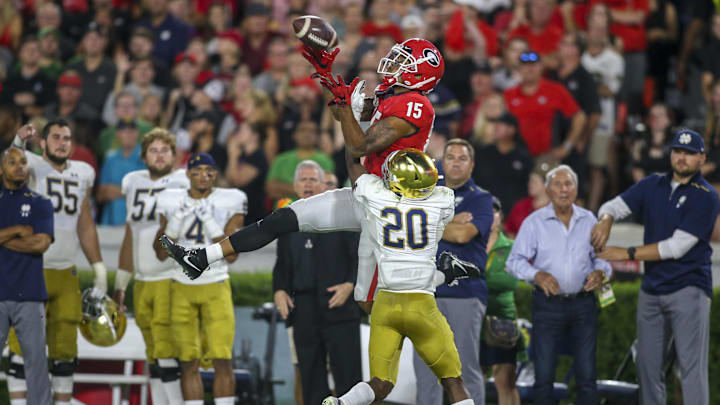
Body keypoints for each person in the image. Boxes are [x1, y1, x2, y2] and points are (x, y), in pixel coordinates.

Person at [160, 38, 477, 313]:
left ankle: (443, 273)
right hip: (364, 192)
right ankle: (200, 258)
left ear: (418, 74)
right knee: (281, 219)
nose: (392, 63)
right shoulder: (392, 97)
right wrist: (327, 75)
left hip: (387, 207)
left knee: (366, 302)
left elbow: (359, 144)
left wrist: (344, 108)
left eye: (402, 62)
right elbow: (344, 111)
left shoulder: (415, 104)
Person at [322, 148, 476, 405]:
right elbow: (437, 190)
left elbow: (354, 166)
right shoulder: (442, 200)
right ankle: (449, 272)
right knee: (453, 381)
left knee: (380, 384)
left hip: (386, 305)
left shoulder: (377, 196)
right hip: (420, 305)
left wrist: (356, 145)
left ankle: (342, 403)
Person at [592, 129, 719, 405]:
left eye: (689, 153)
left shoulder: (706, 195)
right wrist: (605, 219)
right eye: (677, 151)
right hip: (652, 290)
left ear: (701, 159)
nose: (681, 158)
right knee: (647, 368)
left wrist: (624, 252)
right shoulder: (653, 184)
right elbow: (613, 205)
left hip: (689, 288)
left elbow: (676, 247)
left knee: (690, 369)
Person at [9, 120, 109, 405]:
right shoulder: (32, 165)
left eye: (67, 137)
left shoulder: (83, 173)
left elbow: (85, 223)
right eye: (55, 137)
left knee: (65, 351)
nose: (62, 142)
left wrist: (98, 267)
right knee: (22, 347)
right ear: (43, 142)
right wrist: (18, 140)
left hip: (66, 271)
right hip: (31, 269)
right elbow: (11, 165)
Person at [506, 164, 612, 405]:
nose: (563, 190)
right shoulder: (534, 222)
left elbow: (603, 259)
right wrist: (537, 275)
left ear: (576, 189)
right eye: (557, 184)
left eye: (569, 184)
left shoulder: (589, 220)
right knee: (543, 376)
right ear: (547, 189)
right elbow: (514, 262)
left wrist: (600, 272)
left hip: (583, 303)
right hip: (548, 305)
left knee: (587, 377)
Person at [154, 153, 246, 405]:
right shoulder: (172, 201)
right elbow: (159, 252)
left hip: (216, 284)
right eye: (197, 170)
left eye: (208, 170)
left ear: (215, 174)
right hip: (181, 285)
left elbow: (233, 256)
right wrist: (175, 222)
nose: (203, 175)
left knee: (222, 358)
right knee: (187, 361)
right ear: (188, 174)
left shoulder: (231, 200)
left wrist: (209, 221)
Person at [273, 160, 362, 405]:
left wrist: (351, 284)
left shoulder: (343, 216)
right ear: (294, 186)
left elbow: (363, 256)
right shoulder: (286, 221)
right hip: (303, 309)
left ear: (324, 185)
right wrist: (279, 289)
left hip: (339, 306)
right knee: (311, 379)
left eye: (313, 179)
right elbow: (282, 264)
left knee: (349, 379)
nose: (308, 184)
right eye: (303, 179)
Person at [413, 139, 493, 405]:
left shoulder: (482, 199)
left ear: (471, 165)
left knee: (465, 368)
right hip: (427, 294)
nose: (456, 162)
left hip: (465, 293)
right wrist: (450, 219)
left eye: (462, 158)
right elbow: (411, 230)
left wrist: (430, 221)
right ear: (441, 163)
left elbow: (462, 235)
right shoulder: (425, 192)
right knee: (426, 370)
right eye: (451, 157)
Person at [114, 129, 189, 404]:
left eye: (165, 150)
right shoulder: (132, 181)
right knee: (154, 355)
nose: (160, 156)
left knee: (167, 352)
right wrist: (121, 284)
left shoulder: (183, 180)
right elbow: (130, 235)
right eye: (154, 151)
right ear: (144, 156)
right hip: (143, 280)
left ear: (174, 154)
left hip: (170, 277)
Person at [0, 148, 54, 405]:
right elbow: (30, 240)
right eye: (12, 162)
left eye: (23, 162)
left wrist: (3, 238)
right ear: (1, 169)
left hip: (30, 294)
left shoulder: (40, 202)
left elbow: (40, 244)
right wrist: (20, 230)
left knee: (36, 365)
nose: (20, 166)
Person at [504, 51, 586, 159]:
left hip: (546, 157)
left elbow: (579, 117)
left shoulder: (555, 90)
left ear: (541, 68)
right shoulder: (509, 94)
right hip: (515, 155)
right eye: (525, 66)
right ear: (519, 69)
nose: (530, 69)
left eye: (534, 65)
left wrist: (567, 146)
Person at [481, 197, 523, 405]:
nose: (490, 215)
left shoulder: (512, 247)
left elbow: (509, 281)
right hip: (473, 319)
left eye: (494, 211)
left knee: (505, 380)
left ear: (501, 216)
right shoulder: (468, 243)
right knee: (471, 378)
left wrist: (476, 279)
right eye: (485, 211)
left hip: (502, 319)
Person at [97, 121, 145, 226]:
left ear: (137, 133)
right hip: (110, 222)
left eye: (131, 130)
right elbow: (100, 195)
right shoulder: (110, 158)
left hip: (138, 222)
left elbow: (148, 192)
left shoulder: (146, 157)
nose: (128, 134)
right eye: (124, 130)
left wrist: (118, 191)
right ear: (118, 134)